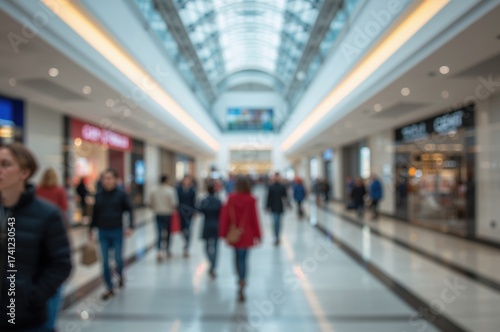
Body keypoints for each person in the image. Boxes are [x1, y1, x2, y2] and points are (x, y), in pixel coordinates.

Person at [0, 143, 72, 331]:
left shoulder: (47, 214)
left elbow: (61, 264)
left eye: (5, 164)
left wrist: (33, 296)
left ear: (24, 172)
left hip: (27, 319)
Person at [89, 168, 134, 300]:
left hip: (117, 230)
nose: (106, 181)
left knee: (118, 259)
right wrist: (91, 229)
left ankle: (120, 274)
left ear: (115, 179)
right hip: (103, 231)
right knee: (105, 262)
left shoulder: (121, 194)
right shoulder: (99, 195)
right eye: (104, 178)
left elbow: (130, 210)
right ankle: (109, 287)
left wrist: (130, 226)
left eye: (109, 178)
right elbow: (95, 214)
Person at [36, 167, 70, 332]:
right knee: (55, 282)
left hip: (37, 236)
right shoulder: (59, 190)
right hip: (55, 234)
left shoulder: (37, 190)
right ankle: (50, 323)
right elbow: (64, 211)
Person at [219, 176, 262, 302]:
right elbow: (255, 218)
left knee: (236, 257)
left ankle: (239, 277)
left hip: (233, 232)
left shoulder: (231, 198)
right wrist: (258, 235)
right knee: (244, 259)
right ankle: (243, 280)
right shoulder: (251, 200)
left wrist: (223, 233)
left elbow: (225, 217)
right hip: (247, 233)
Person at [149, 174, 178, 261]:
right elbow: (174, 203)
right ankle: (168, 249)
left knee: (159, 233)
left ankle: (159, 251)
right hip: (168, 214)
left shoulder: (153, 190)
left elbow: (149, 203)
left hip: (158, 213)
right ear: (167, 180)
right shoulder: (171, 190)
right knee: (168, 233)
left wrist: (155, 207)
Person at [198, 182, 222, 278]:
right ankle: (213, 265)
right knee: (215, 247)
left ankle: (210, 261)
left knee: (207, 246)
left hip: (207, 224)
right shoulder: (218, 201)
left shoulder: (204, 201)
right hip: (216, 225)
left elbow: (200, 210)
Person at [266, 172, 289, 246]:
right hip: (273, 207)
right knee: (275, 221)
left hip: (280, 206)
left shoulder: (282, 187)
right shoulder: (271, 187)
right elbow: (268, 197)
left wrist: (288, 204)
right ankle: (276, 236)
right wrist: (267, 206)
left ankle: (278, 236)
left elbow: (285, 197)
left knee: (278, 222)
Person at [177, 175, 196, 257]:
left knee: (188, 228)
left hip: (189, 212)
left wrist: (195, 211)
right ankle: (185, 240)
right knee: (182, 229)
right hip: (181, 211)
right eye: (185, 180)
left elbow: (194, 201)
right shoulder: (178, 189)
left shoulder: (192, 190)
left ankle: (186, 246)